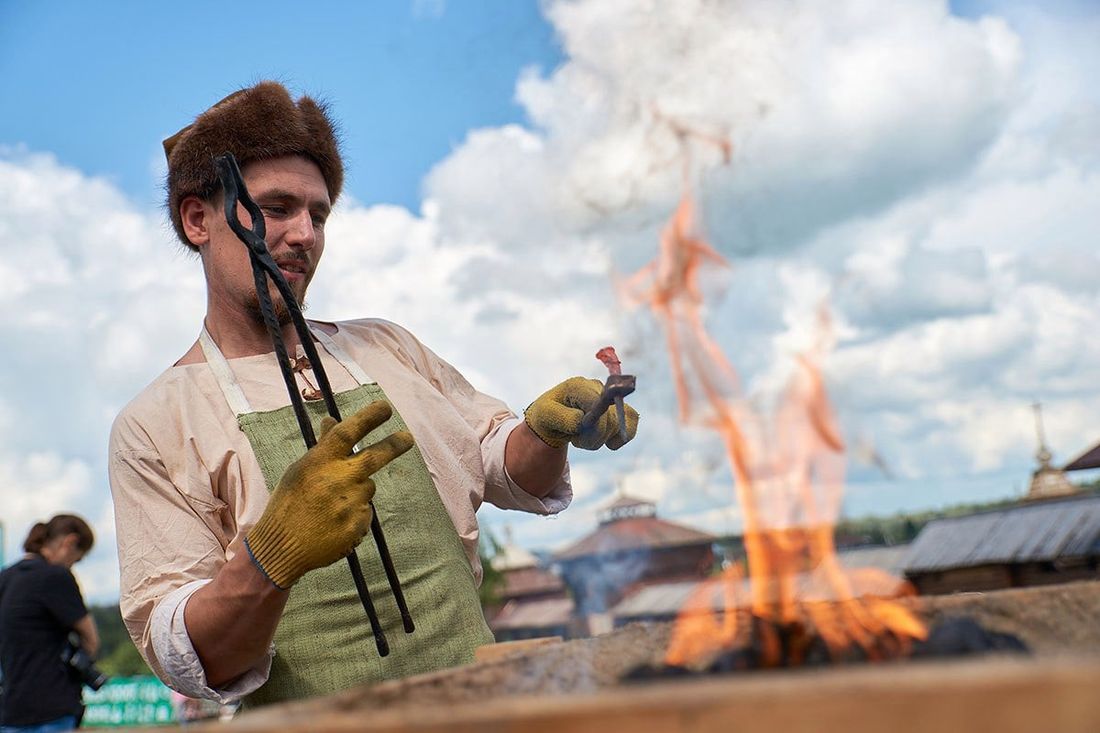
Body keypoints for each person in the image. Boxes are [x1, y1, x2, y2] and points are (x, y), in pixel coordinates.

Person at [108, 81, 639, 708]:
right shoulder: (157, 423)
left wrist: (544, 432)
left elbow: (499, 465)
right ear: (198, 219)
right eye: (276, 208)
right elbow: (187, 655)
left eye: (318, 215)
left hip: (483, 709)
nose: (305, 235)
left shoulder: (385, 346)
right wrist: (272, 554)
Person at [0, 515, 100, 733]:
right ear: (70, 542)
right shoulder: (57, 576)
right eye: (77, 559)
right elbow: (91, 640)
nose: (73, 565)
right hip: (53, 709)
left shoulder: (5, 577)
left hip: (10, 710)